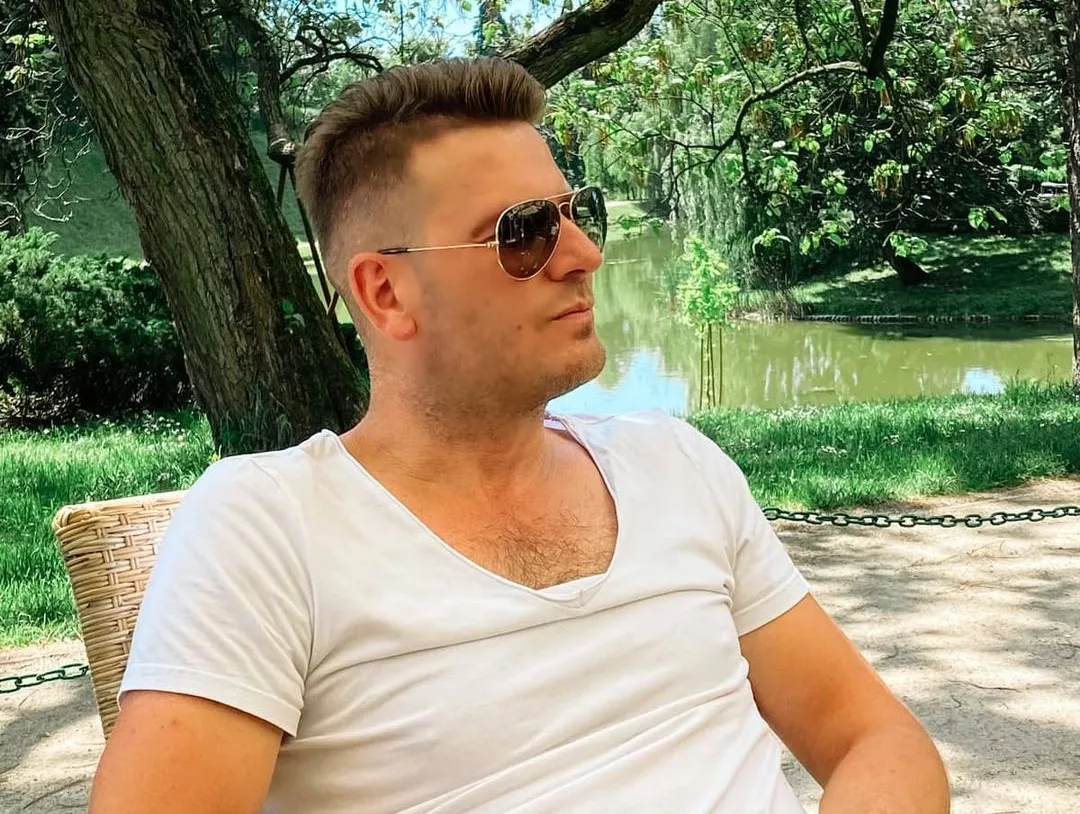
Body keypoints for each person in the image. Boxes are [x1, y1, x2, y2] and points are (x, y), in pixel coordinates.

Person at [89, 58, 950, 814]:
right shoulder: (272, 527)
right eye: (524, 232)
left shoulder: (675, 464)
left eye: (578, 214)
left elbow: (875, 739)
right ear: (386, 293)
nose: (583, 255)